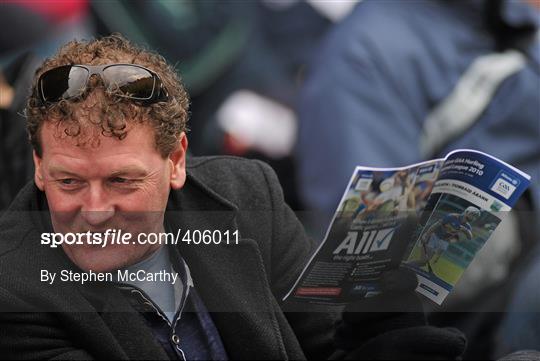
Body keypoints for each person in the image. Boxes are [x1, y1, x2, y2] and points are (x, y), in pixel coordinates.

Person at [0, 34, 471, 360]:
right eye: (69, 183)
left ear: (177, 161)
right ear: (39, 168)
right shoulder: (13, 288)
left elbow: (325, 342)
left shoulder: (246, 195)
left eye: (123, 182)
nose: (96, 210)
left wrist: (378, 340)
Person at [409, 206, 481, 273]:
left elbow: (470, 237)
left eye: (475, 217)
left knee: (423, 262)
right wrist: (427, 235)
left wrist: (465, 231)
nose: (473, 218)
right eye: (472, 215)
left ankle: (408, 266)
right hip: (433, 236)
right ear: (467, 212)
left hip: (442, 240)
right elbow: (436, 225)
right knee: (423, 261)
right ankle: (406, 265)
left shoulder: (467, 226)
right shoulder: (452, 217)